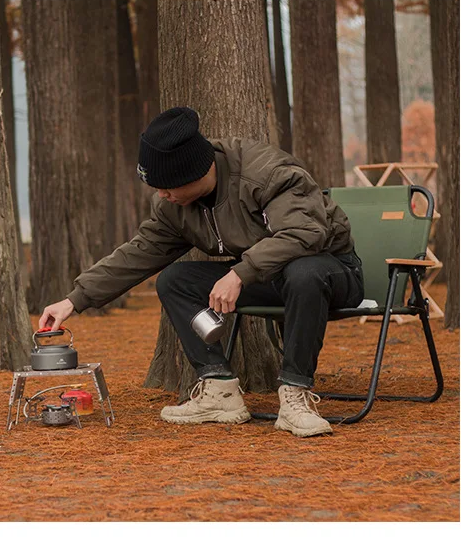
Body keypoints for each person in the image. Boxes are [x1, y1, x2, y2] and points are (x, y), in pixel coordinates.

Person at [38, 106, 364, 438]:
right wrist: (74, 300)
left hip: (332, 272)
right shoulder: (174, 207)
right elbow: (138, 253)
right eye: (157, 187)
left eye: (168, 186)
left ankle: (295, 397)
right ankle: (220, 391)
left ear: (195, 171)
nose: (162, 195)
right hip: (270, 279)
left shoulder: (267, 173)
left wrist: (239, 273)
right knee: (174, 281)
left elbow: (305, 232)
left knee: (303, 272)